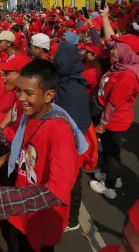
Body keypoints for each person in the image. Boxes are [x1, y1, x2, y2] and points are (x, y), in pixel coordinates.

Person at [0, 59, 79, 252]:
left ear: (48, 95)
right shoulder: (30, 116)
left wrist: (0, 198)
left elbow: (56, 192)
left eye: (28, 93)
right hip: (21, 210)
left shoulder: (59, 131)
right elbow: (10, 137)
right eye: (19, 91)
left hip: (41, 218)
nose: (20, 98)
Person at [89, 5, 139, 199]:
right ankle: (114, 176)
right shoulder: (124, 62)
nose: (111, 52)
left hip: (114, 120)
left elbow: (113, 104)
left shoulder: (126, 76)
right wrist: (105, 18)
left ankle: (110, 186)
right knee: (112, 151)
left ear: (125, 52)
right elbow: (109, 38)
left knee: (112, 153)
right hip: (114, 119)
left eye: (115, 50)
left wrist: (102, 125)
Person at [52, 41, 94, 231]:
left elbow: (71, 123)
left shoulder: (71, 88)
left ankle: (72, 219)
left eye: (59, 59)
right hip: (71, 139)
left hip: (74, 143)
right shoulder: (68, 81)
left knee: (72, 180)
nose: (56, 62)